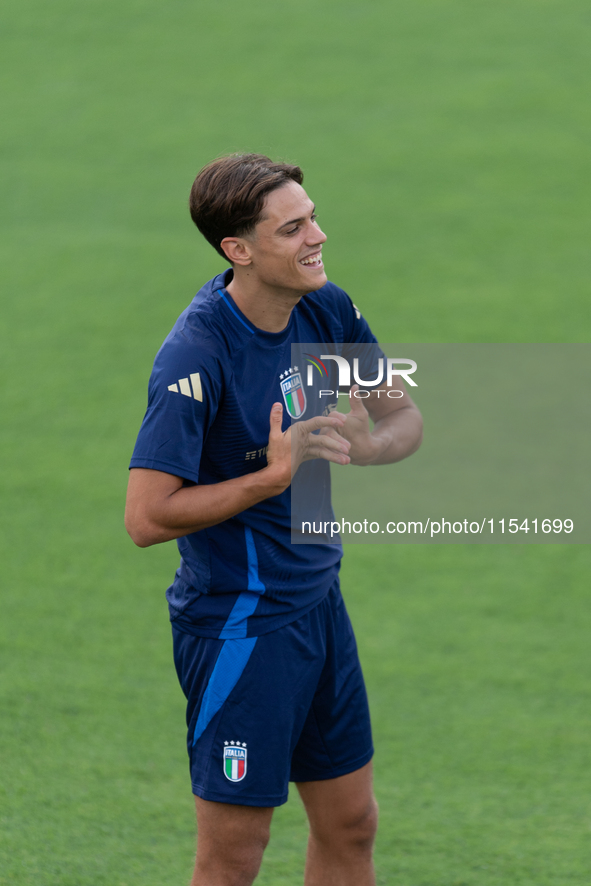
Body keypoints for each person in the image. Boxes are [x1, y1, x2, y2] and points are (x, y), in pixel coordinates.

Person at [125, 153, 422, 886]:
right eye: (292, 228)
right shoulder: (197, 356)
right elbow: (146, 517)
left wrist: (370, 445)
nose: (316, 236)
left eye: (311, 216)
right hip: (239, 628)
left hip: (319, 604)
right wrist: (271, 478)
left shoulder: (326, 308)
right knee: (234, 856)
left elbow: (402, 416)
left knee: (352, 825)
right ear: (239, 250)